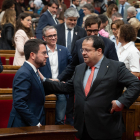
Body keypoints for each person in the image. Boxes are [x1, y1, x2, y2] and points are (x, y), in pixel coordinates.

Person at [40, 35, 140, 140]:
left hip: (106, 128)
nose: (83, 53)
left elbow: (135, 84)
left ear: (99, 51)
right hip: (83, 128)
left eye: (87, 50)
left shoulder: (116, 67)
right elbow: (67, 87)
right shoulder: (79, 68)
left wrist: (121, 102)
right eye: (82, 49)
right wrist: (44, 80)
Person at [57, 16, 118, 82]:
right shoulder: (79, 43)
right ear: (85, 28)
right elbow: (73, 65)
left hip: (102, 83)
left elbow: (114, 66)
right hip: (82, 82)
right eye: (89, 31)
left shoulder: (108, 44)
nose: (92, 33)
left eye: (95, 30)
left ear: (99, 28)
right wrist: (59, 79)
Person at [54, 7, 87, 125]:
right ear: (65, 18)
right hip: (60, 65)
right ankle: (61, 119)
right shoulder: (56, 29)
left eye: (75, 20)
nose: (73, 22)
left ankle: (70, 118)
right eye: (70, 20)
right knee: (62, 93)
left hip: (76, 67)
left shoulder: (81, 31)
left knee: (74, 93)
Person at [8, 39, 48, 128]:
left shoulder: (33, 71)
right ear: (32, 55)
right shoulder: (24, 73)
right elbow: (19, 103)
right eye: (44, 53)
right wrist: (36, 123)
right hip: (23, 127)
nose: (47, 56)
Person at [39, 26, 72, 125]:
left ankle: (59, 125)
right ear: (44, 38)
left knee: (62, 99)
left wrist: (62, 79)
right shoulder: (40, 50)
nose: (53, 38)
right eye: (50, 36)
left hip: (59, 84)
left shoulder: (64, 50)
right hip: (43, 84)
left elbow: (71, 66)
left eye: (55, 35)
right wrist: (43, 79)